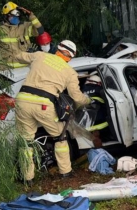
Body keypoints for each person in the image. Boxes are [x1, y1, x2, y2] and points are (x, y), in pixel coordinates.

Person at [14, 40, 92, 184]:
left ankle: (27, 178)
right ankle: (65, 172)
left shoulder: (39, 56)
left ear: (58, 49)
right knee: (60, 137)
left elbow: (18, 56)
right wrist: (89, 100)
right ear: (70, 57)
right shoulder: (70, 72)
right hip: (43, 105)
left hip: (22, 102)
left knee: (26, 142)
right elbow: (77, 98)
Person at [0, 2, 46, 70]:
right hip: (5, 70)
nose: (16, 18)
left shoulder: (25, 27)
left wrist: (31, 16)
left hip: (25, 69)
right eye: (13, 16)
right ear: (6, 16)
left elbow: (40, 30)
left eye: (17, 15)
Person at [81, 74, 110, 148]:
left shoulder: (82, 90)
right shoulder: (99, 90)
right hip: (101, 121)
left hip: (86, 122)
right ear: (98, 83)